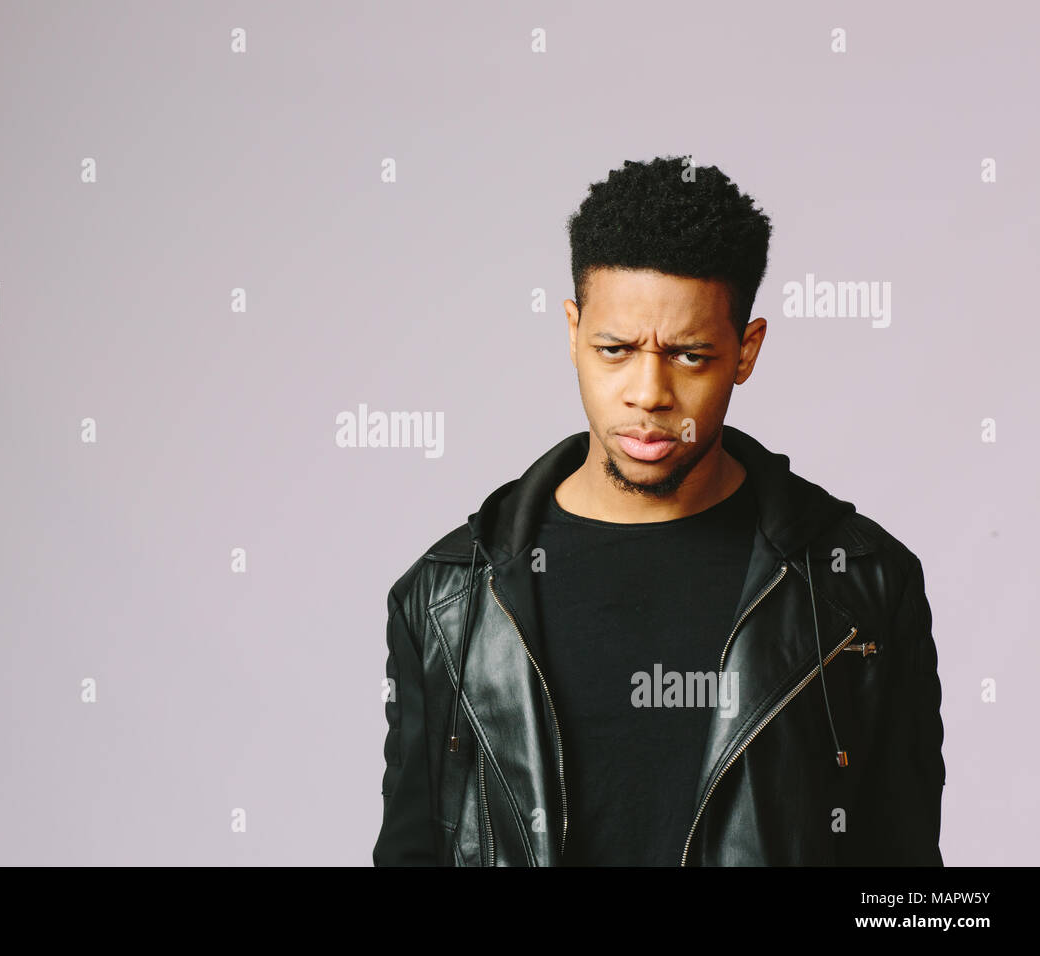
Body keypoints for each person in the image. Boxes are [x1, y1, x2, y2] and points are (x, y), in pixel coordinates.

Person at [372, 155, 946, 866]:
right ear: (572, 333)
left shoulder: (860, 587)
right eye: (614, 350)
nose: (649, 393)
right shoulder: (447, 601)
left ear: (746, 350)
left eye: (690, 356)